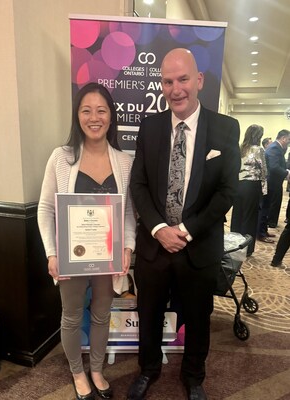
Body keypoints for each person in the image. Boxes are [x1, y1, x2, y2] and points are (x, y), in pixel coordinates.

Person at [128, 48, 240, 400]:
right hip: (155, 246)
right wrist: (161, 230)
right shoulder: (150, 126)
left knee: (198, 317)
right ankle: (148, 370)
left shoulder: (225, 128)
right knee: (148, 314)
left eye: (183, 79)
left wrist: (187, 230)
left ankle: (193, 376)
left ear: (199, 81)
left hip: (199, 245)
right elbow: (139, 185)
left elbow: (226, 192)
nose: (176, 89)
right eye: (167, 81)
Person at [38, 82, 136, 400]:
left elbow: (129, 214)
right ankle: (77, 373)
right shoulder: (61, 157)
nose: (94, 117)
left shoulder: (125, 161)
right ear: (77, 116)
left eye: (101, 110)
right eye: (86, 110)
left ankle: (96, 369)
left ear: (111, 117)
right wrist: (52, 252)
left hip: (107, 256)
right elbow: (46, 208)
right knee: (70, 313)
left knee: (101, 314)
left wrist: (128, 247)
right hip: (72, 255)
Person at [230, 124, 267, 256]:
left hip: (239, 185)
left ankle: (233, 245)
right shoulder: (259, 149)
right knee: (249, 217)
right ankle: (246, 249)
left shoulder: (241, 148)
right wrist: (264, 189)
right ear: (258, 135)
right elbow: (263, 171)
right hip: (252, 185)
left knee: (237, 215)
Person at [265, 130, 290, 228]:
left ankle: (270, 222)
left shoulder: (277, 147)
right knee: (273, 203)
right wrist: (287, 173)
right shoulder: (274, 147)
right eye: (288, 139)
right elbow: (274, 166)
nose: (289, 142)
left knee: (274, 202)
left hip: (275, 181)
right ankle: (270, 222)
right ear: (283, 138)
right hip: (272, 182)